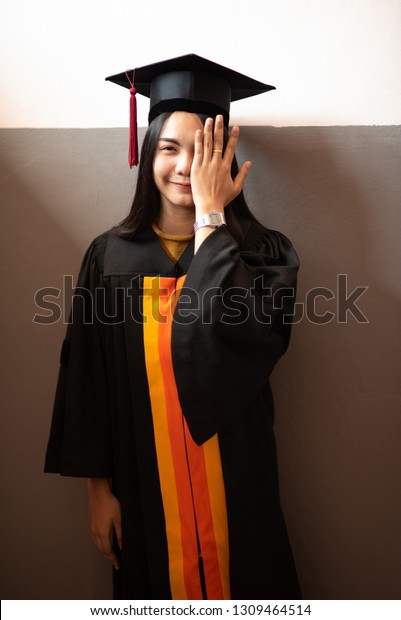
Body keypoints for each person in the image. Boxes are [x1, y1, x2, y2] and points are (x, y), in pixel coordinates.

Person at [45, 54, 301, 600]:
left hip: (239, 478)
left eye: (204, 149)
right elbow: (89, 376)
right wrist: (98, 490)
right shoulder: (108, 256)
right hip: (143, 483)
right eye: (169, 148)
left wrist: (211, 219)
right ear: (147, 155)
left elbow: (250, 341)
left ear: (227, 158)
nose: (186, 165)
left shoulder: (262, 252)